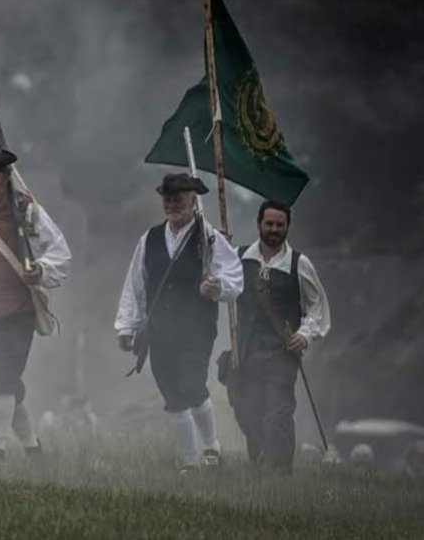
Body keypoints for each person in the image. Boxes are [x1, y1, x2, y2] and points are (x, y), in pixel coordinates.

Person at [115, 173, 243, 473]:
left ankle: (211, 447)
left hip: (196, 328)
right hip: (160, 329)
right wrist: (126, 326)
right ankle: (189, 461)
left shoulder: (209, 238)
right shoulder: (149, 239)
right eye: (168, 199)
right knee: (172, 394)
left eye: (178, 199)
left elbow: (233, 274)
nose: (172, 204)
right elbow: (135, 284)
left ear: (192, 201)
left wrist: (218, 287)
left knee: (192, 384)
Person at [0, 147, 72, 460]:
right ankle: (33, 448)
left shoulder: (27, 211)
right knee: (4, 380)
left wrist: (40, 270)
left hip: (19, 309)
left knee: (1, 378)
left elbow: (59, 252)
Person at [228, 199, 330, 473]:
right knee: (249, 411)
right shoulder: (238, 258)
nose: (274, 229)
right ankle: (261, 461)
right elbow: (221, 287)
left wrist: (305, 335)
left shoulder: (299, 263)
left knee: (278, 415)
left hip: (281, 354)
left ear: (287, 227)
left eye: (279, 224)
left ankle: (279, 473)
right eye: (269, 223)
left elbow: (317, 307)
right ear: (259, 224)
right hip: (246, 352)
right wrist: (219, 251)